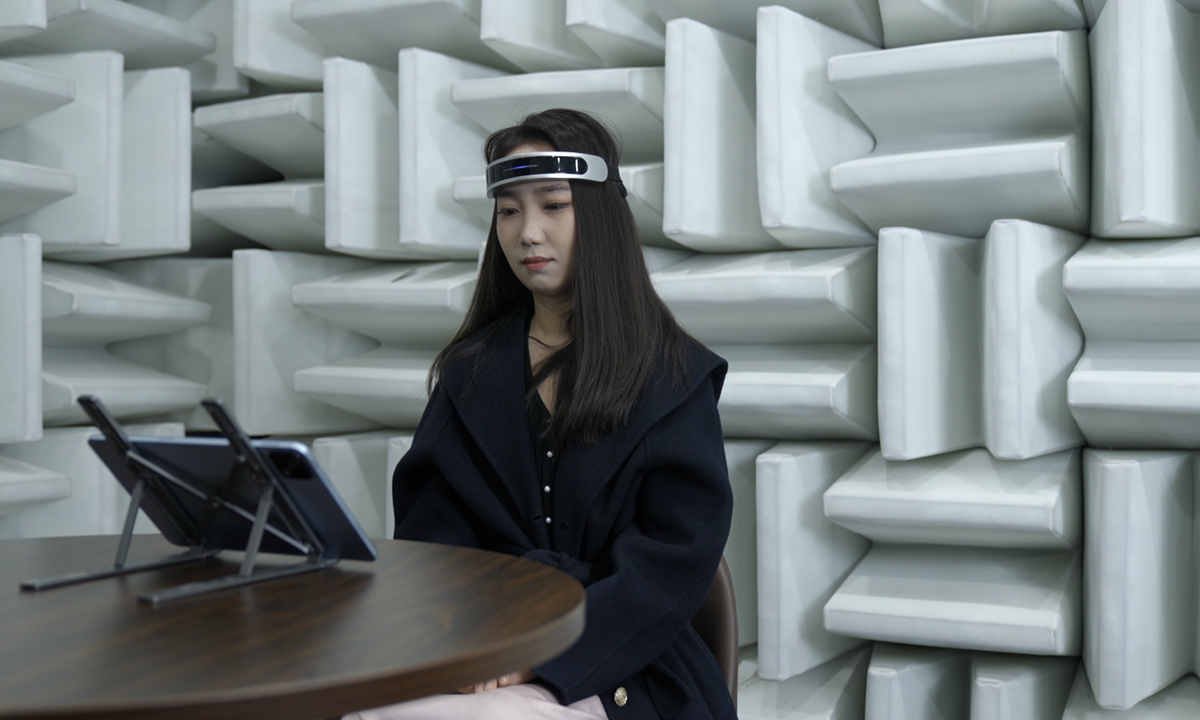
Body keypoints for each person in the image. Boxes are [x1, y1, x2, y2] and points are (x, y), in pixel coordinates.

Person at [348, 109, 734, 720]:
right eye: (509, 209)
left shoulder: (675, 377)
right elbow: (433, 544)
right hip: (483, 646)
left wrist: (535, 658)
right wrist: (473, 643)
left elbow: (669, 571)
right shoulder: (468, 373)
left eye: (553, 206)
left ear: (601, 217)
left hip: (626, 665)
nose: (527, 232)